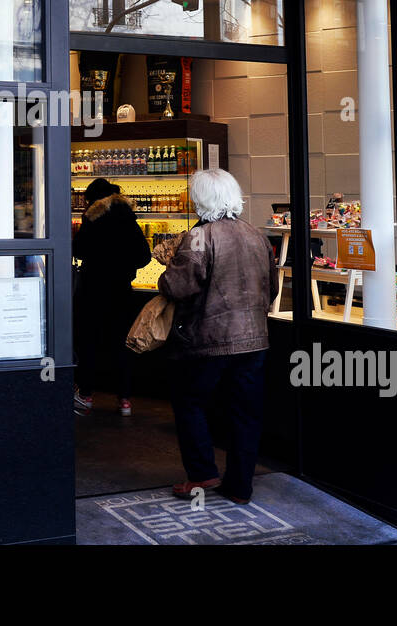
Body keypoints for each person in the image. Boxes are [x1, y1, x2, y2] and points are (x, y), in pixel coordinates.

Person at [158, 168, 278, 505]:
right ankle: (240, 487)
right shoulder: (256, 235)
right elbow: (272, 288)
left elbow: (178, 286)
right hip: (255, 339)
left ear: (200, 199)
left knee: (190, 402)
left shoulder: (199, 236)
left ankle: (202, 473)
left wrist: (166, 272)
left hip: (209, 340)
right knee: (245, 412)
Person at [72, 177, 151, 417]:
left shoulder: (92, 218)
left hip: (93, 289)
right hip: (121, 290)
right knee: (122, 344)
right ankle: (124, 399)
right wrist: (124, 267)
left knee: (89, 342)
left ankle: (85, 395)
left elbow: (79, 250)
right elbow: (144, 256)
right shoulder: (128, 216)